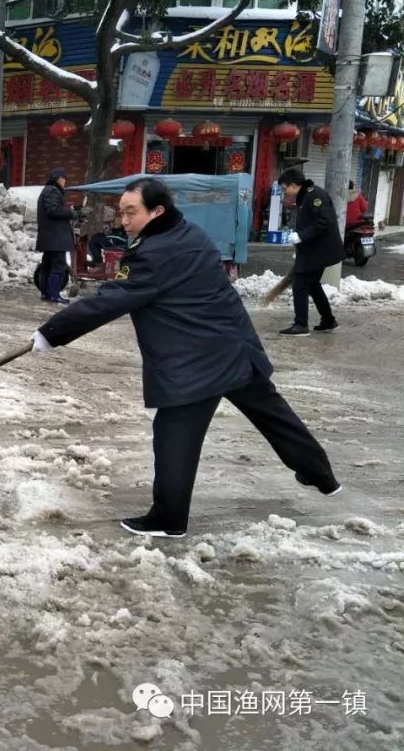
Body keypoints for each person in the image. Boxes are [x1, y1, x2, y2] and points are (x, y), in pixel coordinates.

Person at [31, 178, 340, 538]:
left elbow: (110, 300)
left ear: (157, 211)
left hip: (197, 363)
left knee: (174, 435)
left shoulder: (152, 254)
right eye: (122, 212)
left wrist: (51, 333)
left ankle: (168, 519)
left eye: (132, 213)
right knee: (275, 416)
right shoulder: (188, 232)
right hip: (237, 347)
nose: (124, 221)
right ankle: (322, 476)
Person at [276, 168, 344, 336]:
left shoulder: (315, 196)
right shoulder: (305, 196)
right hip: (313, 250)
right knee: (312, 284)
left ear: (293, 185)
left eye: (285, 188)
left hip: (320, 250)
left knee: (300, 283)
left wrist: (301, 236)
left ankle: (301, 325)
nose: (285, 192)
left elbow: (323, 222)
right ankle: (328, 320)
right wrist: (300, 246)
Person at [35, 167, 77, 304]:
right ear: (59, 178)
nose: (65, 181)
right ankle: (53, 294)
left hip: (50, 238)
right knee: (58, 266)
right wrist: (71, 213)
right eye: (64, 178)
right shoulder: (52, 191)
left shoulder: (47, 191)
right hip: (56, 238)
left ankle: (45, 293)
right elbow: (53, 210)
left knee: (47, 265)